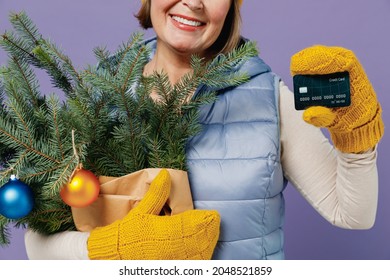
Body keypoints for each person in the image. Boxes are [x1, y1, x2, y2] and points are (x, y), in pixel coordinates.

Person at [24, 0, 384, 260]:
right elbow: (36, 242)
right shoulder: (101, 94)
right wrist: (107, 249)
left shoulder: (267, 98)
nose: (193, 2)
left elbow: (353, 214)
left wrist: (357, 138)